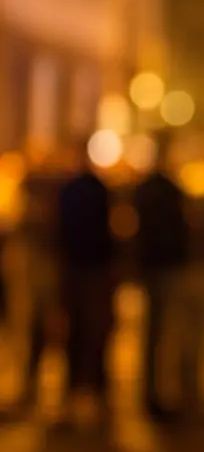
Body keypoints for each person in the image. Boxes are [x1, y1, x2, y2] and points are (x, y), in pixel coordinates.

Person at [134, 133, 204, 420]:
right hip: (168, 268)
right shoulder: (169, 191)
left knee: (154, 333)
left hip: (152, 267)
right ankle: (160, 393)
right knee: (167, 332)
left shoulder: (144, 189)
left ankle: (153, 392)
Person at [58, 140, 117, 420]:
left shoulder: (74, 189)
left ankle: (81, 389)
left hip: (82, 268)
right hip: (89, 268)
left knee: (83, 331)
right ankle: (90, 388)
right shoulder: (94, 188)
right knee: (90, 331)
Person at [8, 147, 67, 414]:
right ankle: (32, 385)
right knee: (33, 331)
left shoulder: (38, 224)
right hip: (35, 278)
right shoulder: (34, 225)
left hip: (43, 278)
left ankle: (38, 387)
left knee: (42, 330)